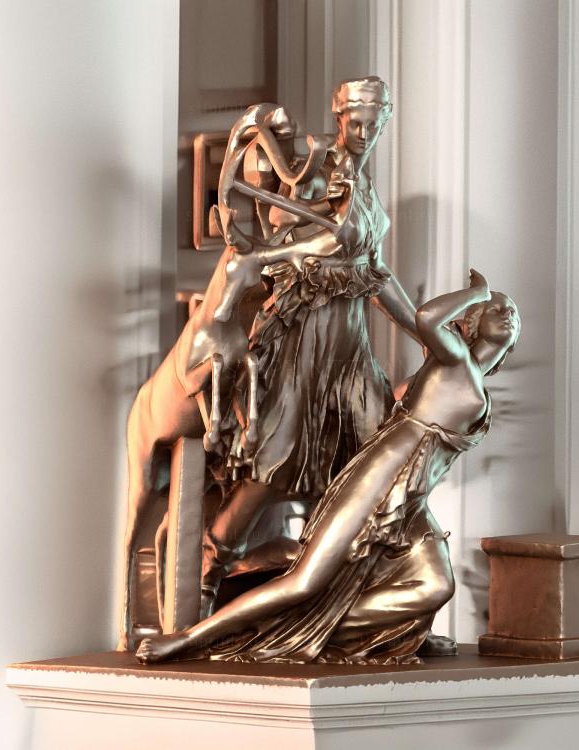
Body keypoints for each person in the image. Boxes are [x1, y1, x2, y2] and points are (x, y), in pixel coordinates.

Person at [136, 269, 521, 664]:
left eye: (513, 312)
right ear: (473, 322)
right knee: (304, 582)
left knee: (435, 585)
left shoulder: (471, 379)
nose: (509, 314)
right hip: (378, 482)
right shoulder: (454, 358)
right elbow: (425, 318)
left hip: (411, 500)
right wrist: (477, 292)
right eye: (498, 308)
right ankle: (190, 639)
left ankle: (336, 629)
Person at [199, 76, 421, 617]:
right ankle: (209, 569)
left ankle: (375, 600)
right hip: (304, 343)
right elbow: (278, 233)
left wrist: (424, 333)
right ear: (339, 118)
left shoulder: (365, 188)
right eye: (355, 122)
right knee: (276, 463)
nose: (363, 133)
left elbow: (375, 273)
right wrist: (308, 242)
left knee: (380, 464)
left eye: (373, 124)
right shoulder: (314, 172)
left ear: (385, 123)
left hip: (350, 354)